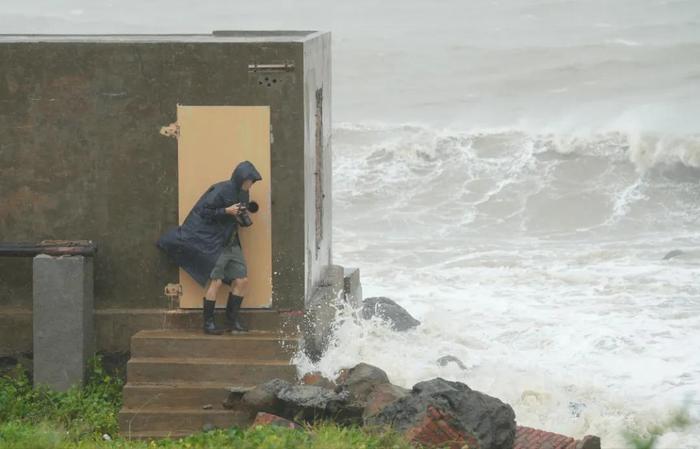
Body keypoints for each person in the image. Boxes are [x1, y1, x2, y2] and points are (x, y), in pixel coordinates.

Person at [156, 160, 262, 335]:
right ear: (242, 178)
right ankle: (208, 323)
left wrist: (242, 217)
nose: (251, 184)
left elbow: (238, 216)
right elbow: (204, 212)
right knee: (216, 281)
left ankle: (232, 320)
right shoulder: (221, 189)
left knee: (242, 280)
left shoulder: (244, 194)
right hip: (215, 243)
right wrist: (226, 211)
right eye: (250, 180)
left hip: (232, 241)